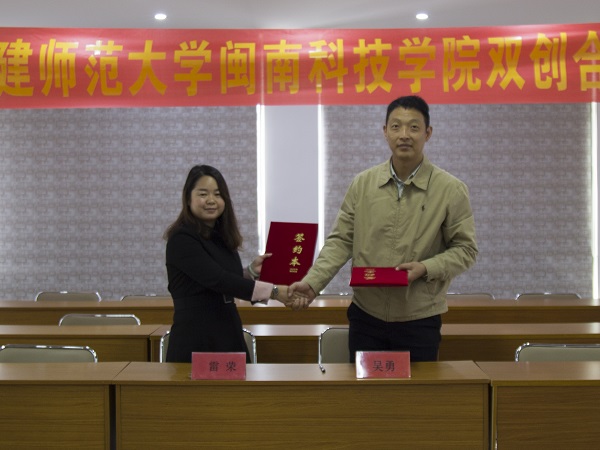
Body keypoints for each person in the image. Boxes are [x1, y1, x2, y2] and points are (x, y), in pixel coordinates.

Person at [290, 95, 478, 362]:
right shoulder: (363, 184)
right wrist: (312, 283)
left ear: (428, 133)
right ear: (385, 131)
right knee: (368, 389)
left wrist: (426, 268)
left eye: (414, 127)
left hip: (419, 318)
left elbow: (466, 250)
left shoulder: (450, 189)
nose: (404, 135)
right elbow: (341, 241)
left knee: (417, 390)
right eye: (396, 126)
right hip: (366, 316)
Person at [164, 164, 309, 363]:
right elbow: (218, 280)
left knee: (236, 384)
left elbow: (226, 278)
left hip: (227, 331)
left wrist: (251, 271)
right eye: (203, 194)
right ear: (188, 198)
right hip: (196, 337)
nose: (211, 200)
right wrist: (275, 292)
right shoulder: (181, 239)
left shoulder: (221, 237)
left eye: (217, 194)